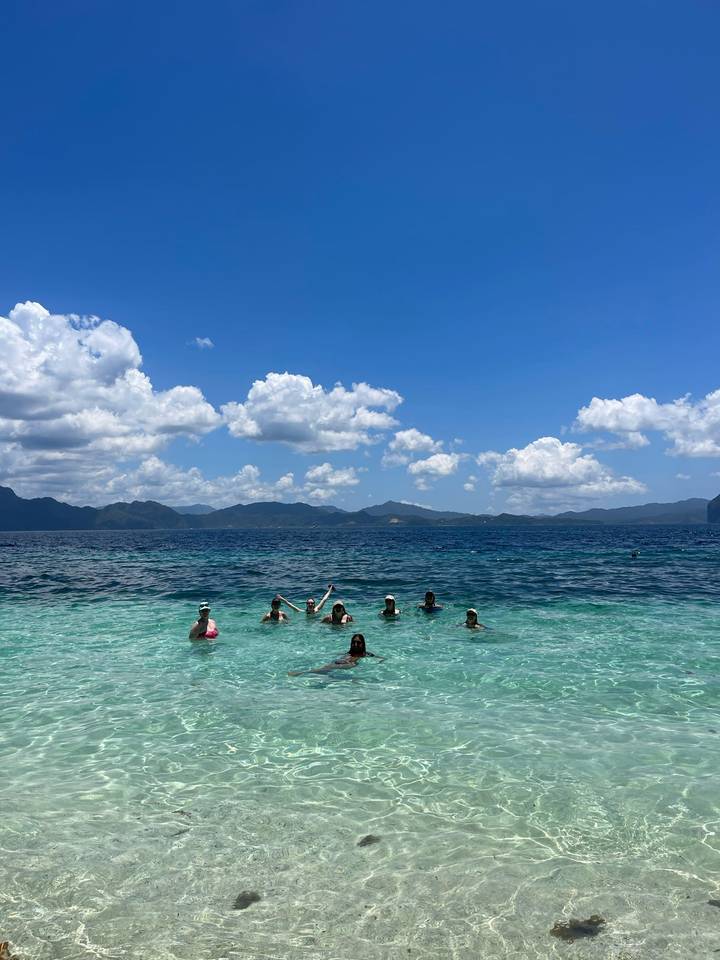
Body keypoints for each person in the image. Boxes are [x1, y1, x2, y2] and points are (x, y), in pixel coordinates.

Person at [288, 633, 384, 675]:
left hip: (349, 664)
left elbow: (380, 658)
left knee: (326, 669)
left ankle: (302, 673)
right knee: (326, 668)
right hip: (343, 662)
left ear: (362, 644)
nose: (355, 644)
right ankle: (303, 672)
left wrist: (381, 661)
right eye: (354, 642)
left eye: (358, 642)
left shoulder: (366, 654)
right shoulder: (349, 653)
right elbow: (341, 655)